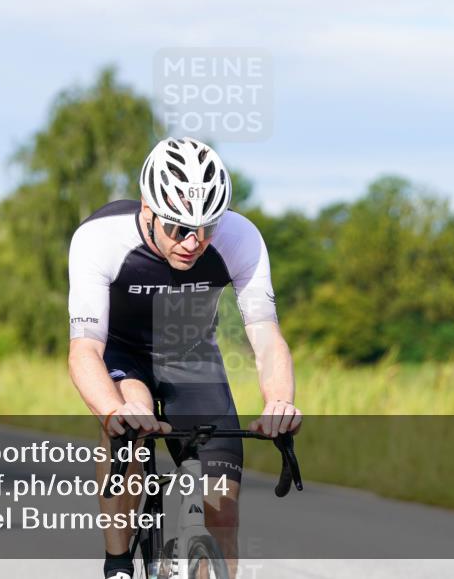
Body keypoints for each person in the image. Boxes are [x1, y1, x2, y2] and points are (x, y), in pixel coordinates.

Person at [67, 136, 302, 579]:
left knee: (223, 508)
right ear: (147, 211)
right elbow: (84, 351)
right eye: (178, 229)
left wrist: (279, 402)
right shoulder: (100, 239)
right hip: (123, 352)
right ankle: (118, 563)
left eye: (207, 228)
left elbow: (266, 337)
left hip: (190, 357)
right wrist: (112, 412)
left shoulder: (240, 238)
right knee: (128, 427)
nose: (194, 242)